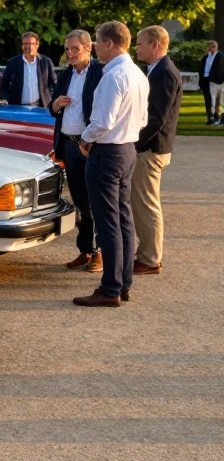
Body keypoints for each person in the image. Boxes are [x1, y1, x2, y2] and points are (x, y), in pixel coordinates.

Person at [73, 21, 149, 307]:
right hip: (128, 149)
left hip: (108, 152)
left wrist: (84, 138)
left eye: (97, 41)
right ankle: (123, 282)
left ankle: (110, 288)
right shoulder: (138, 74)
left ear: (110, 43)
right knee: (123, 219)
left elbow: (102, 121)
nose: (94, 46)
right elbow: (142, 120)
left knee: (108, 224)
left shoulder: (113, 76)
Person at [50, 29, 104, 273]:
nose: (70, 54)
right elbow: (52, 107)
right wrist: (56, 104)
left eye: (75, 49)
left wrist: (91, 139)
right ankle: (85, 250)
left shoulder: (100, 72)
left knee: (97, 200)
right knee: (80, 202)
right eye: (67, 50)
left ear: (88, 48)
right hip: (69, 144)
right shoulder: (66, 74)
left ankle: (100, 252)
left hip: (90, 145)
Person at [131, 25, 182, 274]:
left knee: (146, 204)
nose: (136, 47)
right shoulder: (156, 70)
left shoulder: (165, 73)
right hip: (150, 148)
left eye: (140, 43)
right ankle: (146, 254)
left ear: (155, 45)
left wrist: (134, 144)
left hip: (151, 149)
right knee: (141, 203)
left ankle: (150, 259)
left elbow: (156, 119)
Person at [0, 31, 57, 107]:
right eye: (24, 44)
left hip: (41, 108)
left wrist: (49, 98)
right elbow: (3, 85)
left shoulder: (46, 62)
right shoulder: (13, 62)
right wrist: (7, 100)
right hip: (17, 107)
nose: (27, 47)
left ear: (37, 45)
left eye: (31, 44)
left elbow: (55, 84)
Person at [198, 40, 224, 124]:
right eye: (209, 46)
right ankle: (210, 117)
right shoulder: (205, 57)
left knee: (217, 100)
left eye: (212, 46)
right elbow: (201, 69)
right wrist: (201, 81)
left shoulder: (220, 56)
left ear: (216, 47)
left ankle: (216, 116)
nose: (211, 48)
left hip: (216, 81)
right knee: (208, 100)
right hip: (206, 80)